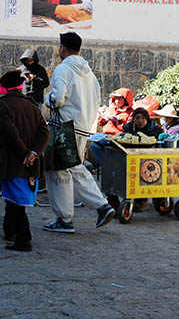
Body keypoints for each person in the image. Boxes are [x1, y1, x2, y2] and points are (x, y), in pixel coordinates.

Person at [42, 32, 116, 234]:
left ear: (63, 48)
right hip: (83, 127)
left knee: (60, 170)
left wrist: (46, 99)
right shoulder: (90, 74)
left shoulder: (63, 69)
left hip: (64, 127)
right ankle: (72, 215)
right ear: (80, 49)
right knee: (70, 169)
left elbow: (58, 99)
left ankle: (77, 214)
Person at [0, 70, 49, 251]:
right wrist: (34, 152)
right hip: (29, 161)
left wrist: (26, 153)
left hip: (12, 161)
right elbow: (44, 131)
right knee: (12, 199)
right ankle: (10, 231)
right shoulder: (32, 105)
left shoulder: (4, 105)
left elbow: (10, 133)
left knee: (17, 202)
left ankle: (23, 239)